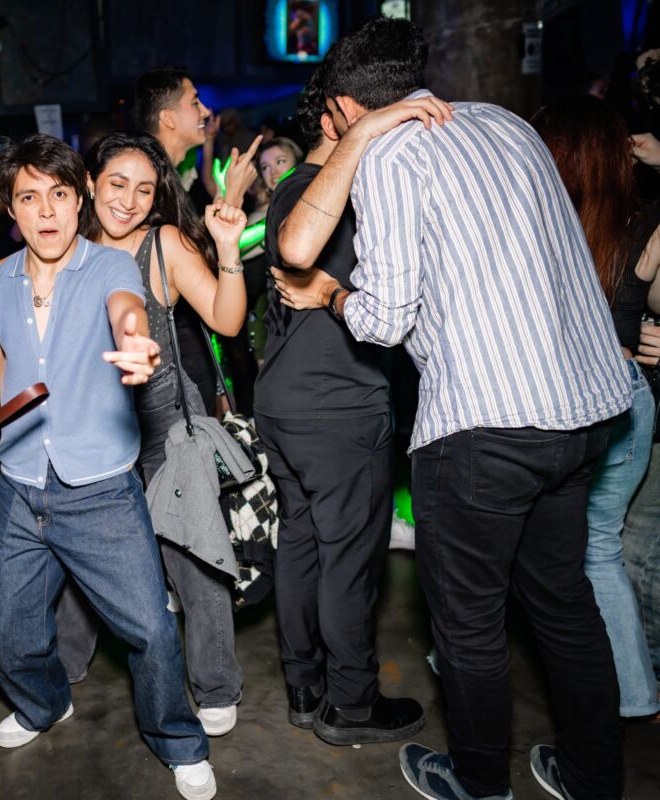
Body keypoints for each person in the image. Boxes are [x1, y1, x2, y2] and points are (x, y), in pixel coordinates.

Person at [282, 17, 630, 800]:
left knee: (470, 625)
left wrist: (331, 296)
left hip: (485, 423)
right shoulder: (507, 123)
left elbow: (384, 318)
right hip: (582, 406)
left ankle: (479, 784)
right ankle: (593, 778)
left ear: (345, 109)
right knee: (564, 605)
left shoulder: (388, 157)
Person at [0, 134, 216, 800]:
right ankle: (45, 704)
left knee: (150, 629)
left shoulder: (109, 268)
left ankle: (179, 742)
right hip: (20, 487)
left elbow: (128, 312)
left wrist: (137, 342)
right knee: (7, 639)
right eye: (29, 197)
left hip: (100, 490)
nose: (46, 211)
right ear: (11, 208)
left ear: (80, 200)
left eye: (59, 195)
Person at [256, 76, 450, 746]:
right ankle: (353, 704)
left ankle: (304, 688)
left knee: (300, 544)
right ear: (336, 119)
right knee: (348, 561)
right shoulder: (341, 191)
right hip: (337, 405)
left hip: (284, 400)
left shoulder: (290, 189)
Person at [532, 94, 660, 719]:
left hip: (557, 393)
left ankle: (464, 664)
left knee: (514, 539)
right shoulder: (645, 224)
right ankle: (633, 697)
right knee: (598, 548)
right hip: (626, 395)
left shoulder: (532, 220)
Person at [135, 67, 261, 412]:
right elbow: (186, 265)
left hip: (187, 345)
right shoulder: (149, 182)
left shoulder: (168, 175)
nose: (206, 111)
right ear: (168, 118)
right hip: (171, 358)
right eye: (195, 103)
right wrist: (232, 198)